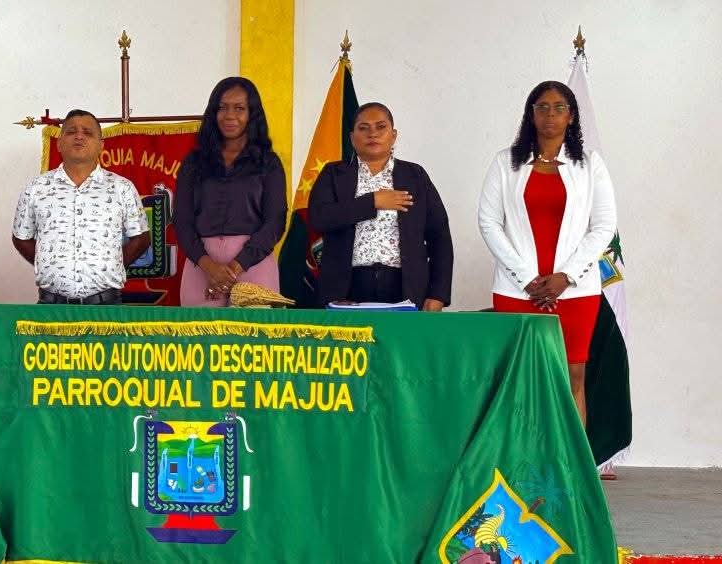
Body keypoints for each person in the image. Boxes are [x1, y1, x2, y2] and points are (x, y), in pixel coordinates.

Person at [479, 80, 616, 425]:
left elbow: (603, 226)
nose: (550, 115)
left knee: (573, 377)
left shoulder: (590, 165)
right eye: (542, 107)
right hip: (517, 291)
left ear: (571, 116)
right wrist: (527, 279)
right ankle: (522, 455)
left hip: (575, 292)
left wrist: (565, 277)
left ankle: (571, 458)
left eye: (559, 108)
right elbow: (489, 222)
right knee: (519, 379)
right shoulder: (505, 163)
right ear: (531, 115)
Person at [307, 102, 453, 310]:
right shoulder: (334, 174)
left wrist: (438, 293)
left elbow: (439, 236)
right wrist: (373, 201)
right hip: (345, 288)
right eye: (363, 128)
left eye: (381, 127)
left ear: (393, 135)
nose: (372, 134)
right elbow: (320, 218)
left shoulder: (414, 176)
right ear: (352, 138)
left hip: (405, 287)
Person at [12, 109, 150, 304]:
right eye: (71, 132)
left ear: (101, 145)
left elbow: (141, 238)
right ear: (59, 143)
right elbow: (21, 238)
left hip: (106, 305)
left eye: (88, 132)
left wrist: (113, 265)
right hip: (51, 305)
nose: (79, 136)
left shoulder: (122, 188)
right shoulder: (36, 188)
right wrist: (47, 262)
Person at [173, 77, 287, 306]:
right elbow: (182, 221)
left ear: (252, 113)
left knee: (252, 331)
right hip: (201, 266)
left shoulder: (268, 162)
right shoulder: (194, 163)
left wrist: (234, 268)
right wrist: (209, 267)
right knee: (200, 331)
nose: (229, 115)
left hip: (253, 264)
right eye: (222, 108)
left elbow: (275, 221)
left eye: (239, 108)